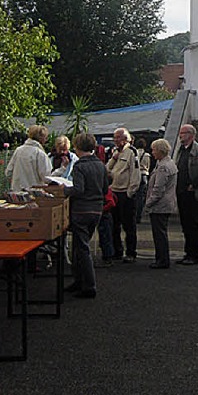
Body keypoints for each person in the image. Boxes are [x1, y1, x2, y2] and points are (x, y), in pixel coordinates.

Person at [65, 132, 108, 298]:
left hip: (81, 210)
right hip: (96, 209)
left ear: (77, 147)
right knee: (79, 246)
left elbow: (78, 189)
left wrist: (65, 190)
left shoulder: (79, 166)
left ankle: (89, 285)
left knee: (82, 248)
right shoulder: (100, 165)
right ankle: (79, 281)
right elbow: (105, 189)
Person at [106, 127, 141, 263]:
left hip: (125, 193)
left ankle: (131, 252)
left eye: (118, 137)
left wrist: (130, 192)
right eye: (114, 137)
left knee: (129, 225)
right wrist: (113, 159)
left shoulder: (132, 152)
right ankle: (117, 251)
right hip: (114, 191)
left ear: (126, 139)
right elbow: (107, 170)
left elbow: (135, 173)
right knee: (114, 224)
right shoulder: (115, 152)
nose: (115, 140)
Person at [176, 124, 198, 265]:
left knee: (192, 224)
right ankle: (187, 253)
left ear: (191, 134)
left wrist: (193, 185)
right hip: (181, 191)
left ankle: (194, 255)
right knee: (184, 223)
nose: (180, 135)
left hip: (192, 193)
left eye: (183, 133)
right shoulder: (181, 150)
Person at [145, 138, 178, 269]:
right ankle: (162, 258)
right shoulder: (170, 163)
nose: (152, 152)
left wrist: (148, 203)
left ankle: (162, 259)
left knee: (159, 234)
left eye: (154, 150)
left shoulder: (163, 167)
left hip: (160, 205)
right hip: (167, 202)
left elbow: (158, 188)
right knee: (161, 232)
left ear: (160, 150)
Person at [5, 125, 52, 192]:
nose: (46, 140)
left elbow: (8, 172)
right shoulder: (40, 154)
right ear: (41, 138)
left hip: (17, 193)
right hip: (34, 194)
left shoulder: (18, 150)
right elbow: (47, 177)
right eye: (45, 138)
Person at [134, 137, 151, 224]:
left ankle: (133, 214)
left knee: (134, 196)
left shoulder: (134, 153)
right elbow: (148, 166)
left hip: (136, 175)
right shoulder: (147, 155)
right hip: (144, 175)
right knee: (141, 197)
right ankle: (139, 216)